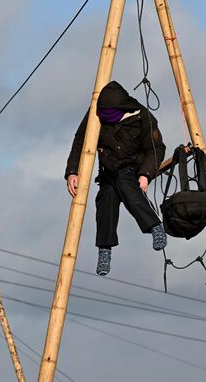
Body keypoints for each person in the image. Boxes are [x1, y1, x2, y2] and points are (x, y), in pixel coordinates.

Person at [65, 80, 168, 276]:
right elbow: (80, 141)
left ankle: (155, 227)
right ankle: (105, 250)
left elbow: (156, 150)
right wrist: (72, 171)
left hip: (134, 168)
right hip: (108, 170)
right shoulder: (96, 114)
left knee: (124, 182)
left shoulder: (143, 117)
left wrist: (145, 175)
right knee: (107, 198)